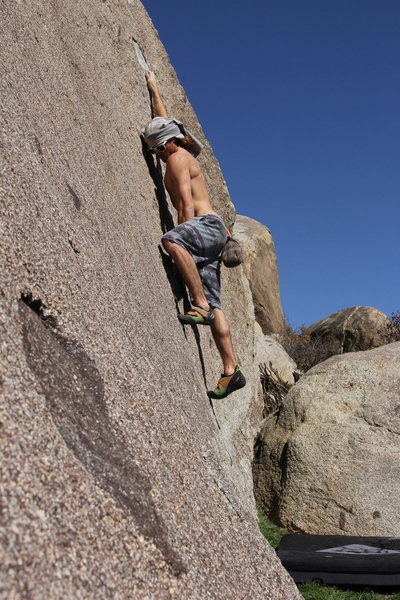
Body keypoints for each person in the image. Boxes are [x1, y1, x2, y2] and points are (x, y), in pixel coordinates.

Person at [142, 71, 245, 399]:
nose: (157, 153)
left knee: (172, 240)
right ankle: (231, 370)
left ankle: (198, 304)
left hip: (206, 228)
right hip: (214, 235)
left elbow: (185, 207)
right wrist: (154, 87)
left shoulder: (176, 159)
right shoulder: (175, 146)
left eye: (159, 148)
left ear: (170, 143)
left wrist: (180, 238)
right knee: (217, 305)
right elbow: (164, 120)